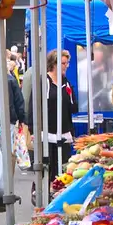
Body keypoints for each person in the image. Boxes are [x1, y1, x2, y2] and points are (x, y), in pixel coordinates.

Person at [41, 49, 76, 182]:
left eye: (67, 63)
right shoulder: (44, 82)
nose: (66, 66)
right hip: (47, 133)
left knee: (64, 168)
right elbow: (35, 105)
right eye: (63, 63)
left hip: (64, 132)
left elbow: (73, 108)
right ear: (54, 64)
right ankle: (45, 193)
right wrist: (33, 130)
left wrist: (70, 93)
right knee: (49, 168)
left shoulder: (66, 82)